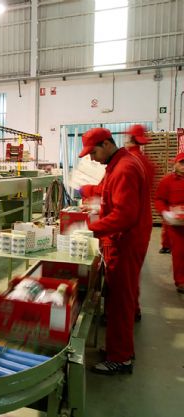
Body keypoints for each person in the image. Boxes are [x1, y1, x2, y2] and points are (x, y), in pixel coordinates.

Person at [79, 127, 151, 375]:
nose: (91, 158)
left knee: (120, 301)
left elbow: (124, 215)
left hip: (125, 243)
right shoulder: (117, 164)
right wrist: (87, 192)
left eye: (93, 151)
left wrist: (90, 228)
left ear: (107, 144)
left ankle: (120, 359)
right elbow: (106, 192)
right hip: (123, 240)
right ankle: (120, 348)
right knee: (118, 298)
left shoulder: (125, 168)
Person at [123, 124, 155, 320]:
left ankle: (129, 312)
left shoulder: (127, 163)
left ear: (129, 139)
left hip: (130, 227)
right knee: (133, 273)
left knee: (125, 277)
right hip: (144, 223)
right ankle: (134, 308)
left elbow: (123, 202)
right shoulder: (147, 163)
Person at [154, 152, 184, 294]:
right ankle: (181, 281)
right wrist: (165, 212)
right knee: (179, 253)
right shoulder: (167, 181)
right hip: (176, 225)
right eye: (182, 163)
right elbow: (159, 199)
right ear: (176, 164)